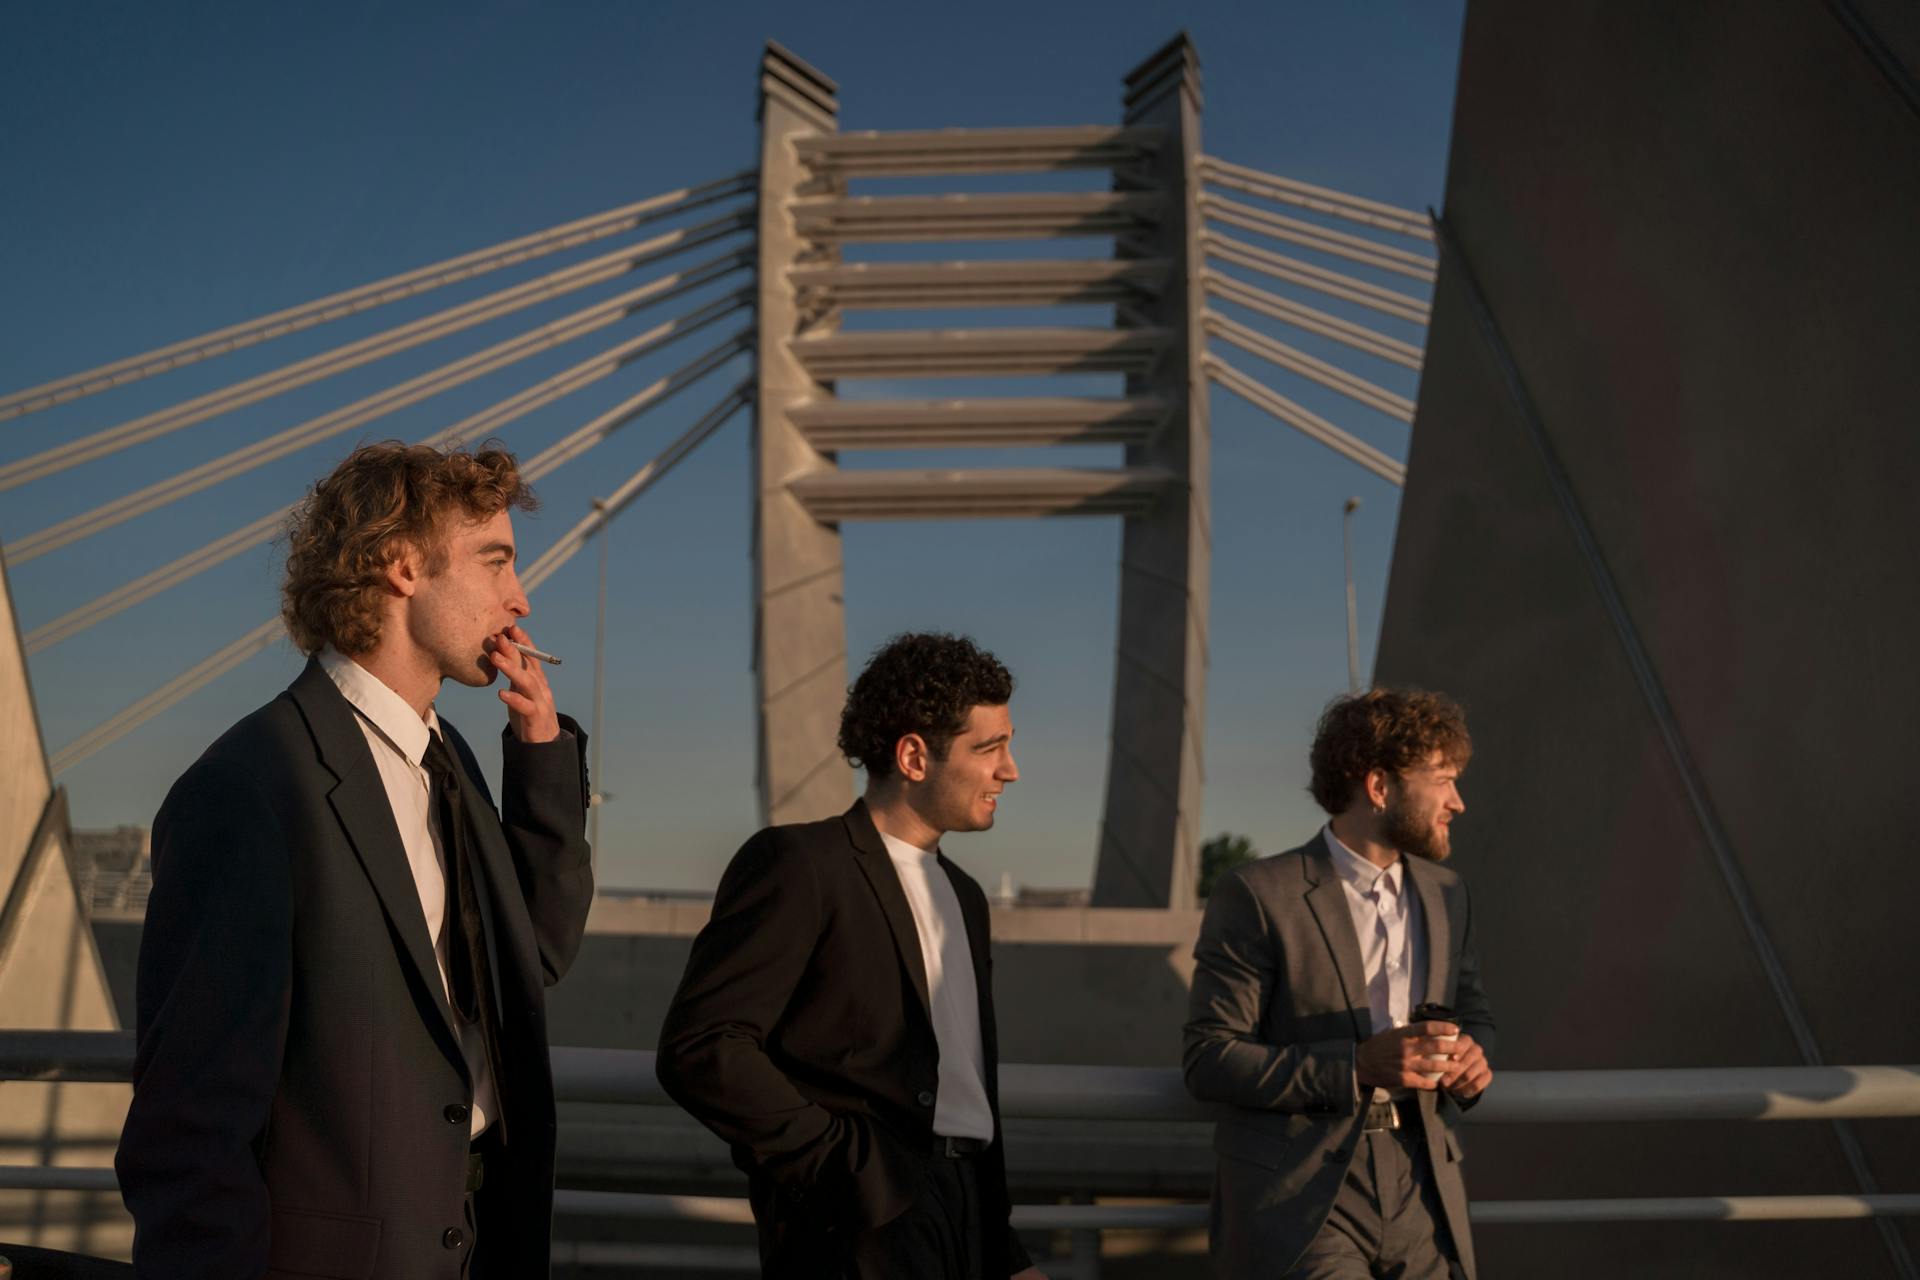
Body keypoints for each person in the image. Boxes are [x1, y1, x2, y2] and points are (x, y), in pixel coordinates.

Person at [116, 442, 594, 1278]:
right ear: (402, 566)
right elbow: (189, 1130)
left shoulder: (452, 763)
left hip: (478, 1237)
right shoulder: (251, 788)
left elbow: (537, 951)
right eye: (495, 562)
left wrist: (543, 758)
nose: (519, 599)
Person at [657, 633, 1045, 1280]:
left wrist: (1002, 1250)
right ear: (915, 756)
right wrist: (845, 1167)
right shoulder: (802, 864)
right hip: (858, 1223)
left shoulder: (967, 897)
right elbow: (703, 1047)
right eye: (990, 747)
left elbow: (963, 1083)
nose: (1011, 769)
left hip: (968, 1215)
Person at [1183, 688, 1494, 1279]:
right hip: (1303, 1194)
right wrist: (1355, 1066)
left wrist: (1472, 1060)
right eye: (1443, 780)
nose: (1457, 801)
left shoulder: (1449, 894)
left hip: (1425, 1183)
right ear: (1379, 787)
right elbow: (1209, 1058)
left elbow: (1475, 1015)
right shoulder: (1255, 893)